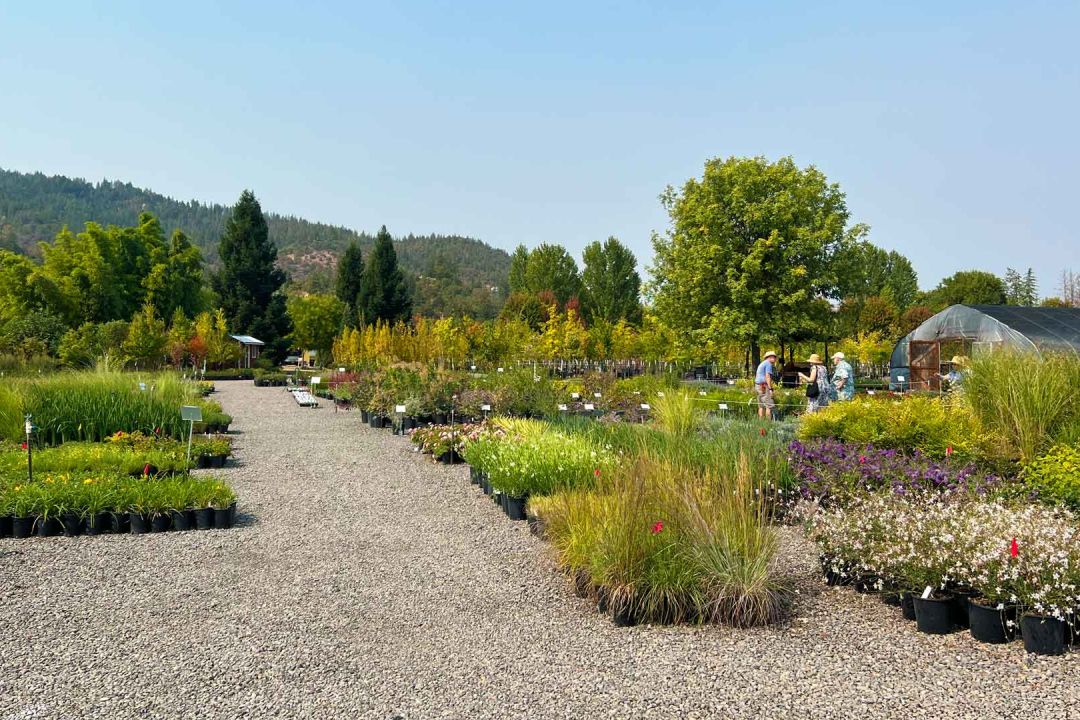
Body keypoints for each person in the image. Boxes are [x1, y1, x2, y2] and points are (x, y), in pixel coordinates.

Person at [754, 350, 778, 420]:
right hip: (764, 386)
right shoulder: (768, 364)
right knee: (768, 405)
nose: (774, 358)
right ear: (769, 357)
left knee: (761, 405)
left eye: (774, 357)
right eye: (773, 357)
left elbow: (757, 375)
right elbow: (768, 376)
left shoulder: (762, 363)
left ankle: (761, 422)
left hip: (758, 385)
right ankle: (768, 423)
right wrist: (770, 389)